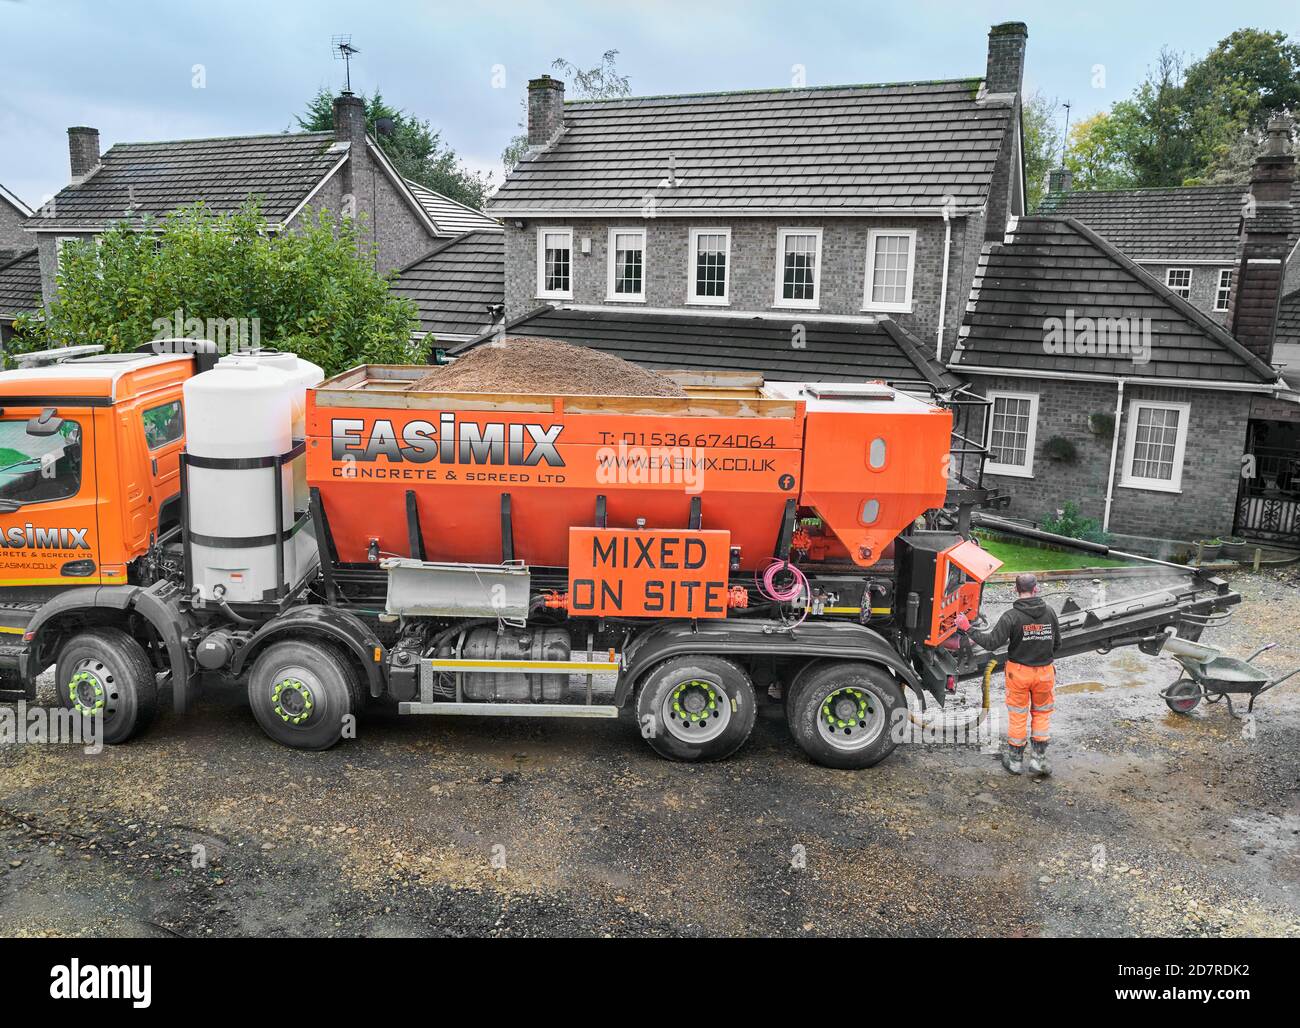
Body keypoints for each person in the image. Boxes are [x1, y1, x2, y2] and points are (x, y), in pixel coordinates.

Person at [954, 572, 1061, 776]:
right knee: (1042, 714)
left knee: (1018, 716)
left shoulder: (1011, 616)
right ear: (1036, 588)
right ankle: (1038, 760)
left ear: (1015, 590)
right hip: (1045, 673)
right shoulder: (1050, 612)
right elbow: (1057, 644)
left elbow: (992, 643)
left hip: (1019, 674)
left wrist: (967, 628)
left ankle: (1015, 762)